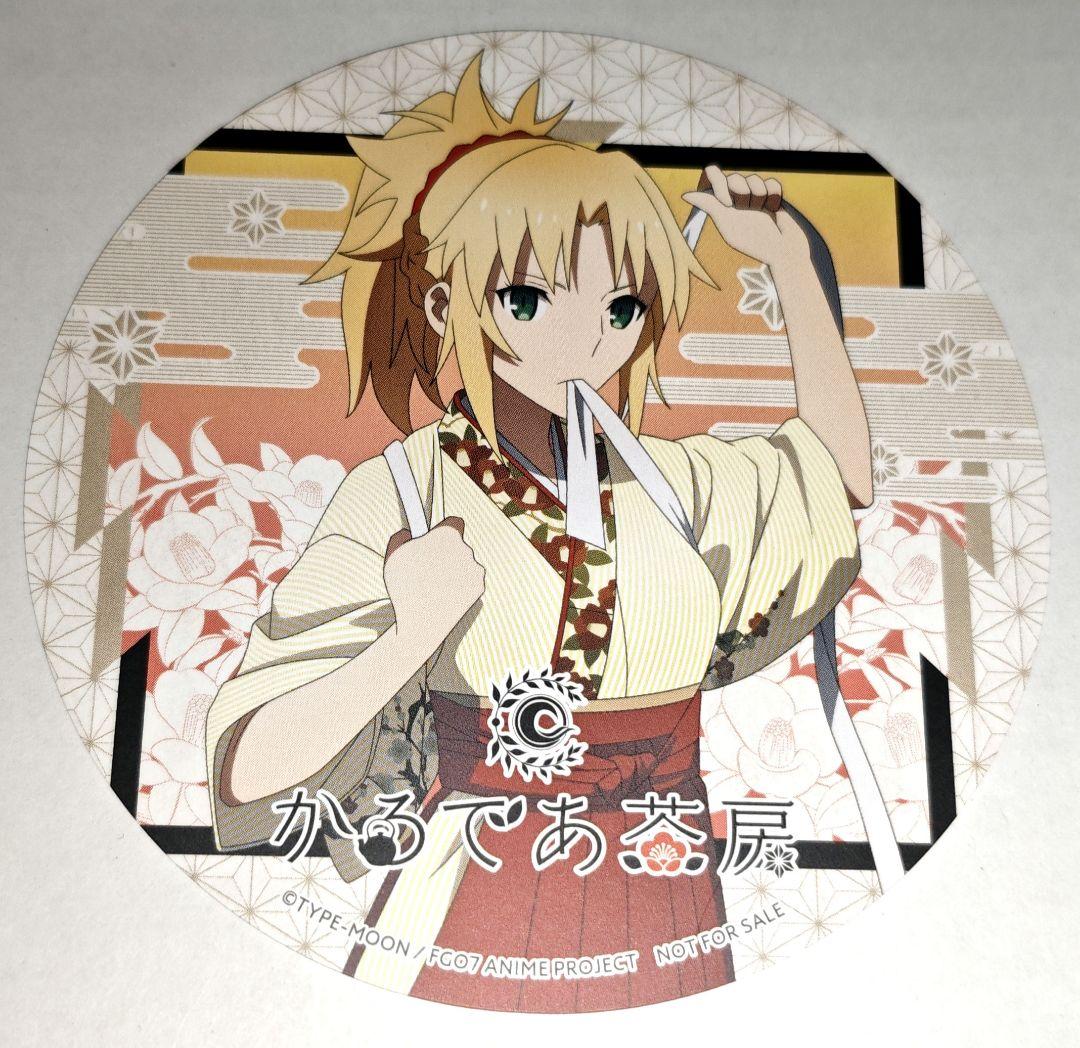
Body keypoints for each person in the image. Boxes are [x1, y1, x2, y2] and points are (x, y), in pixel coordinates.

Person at [204, 55, 871, 1012]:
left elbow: (834, 481)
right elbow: (247, 765)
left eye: (621, 308)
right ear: (447, 305)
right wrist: (407, 636)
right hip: (476, 884)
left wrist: (793, 268)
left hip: (664, 869)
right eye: (528, 300)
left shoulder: (668, 482)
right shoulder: (402, 491)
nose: (585, 339)